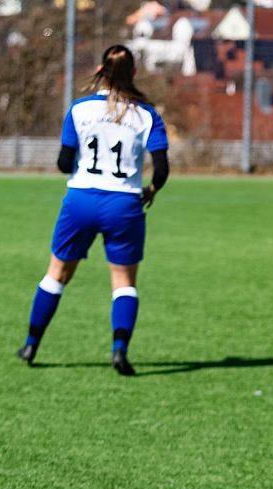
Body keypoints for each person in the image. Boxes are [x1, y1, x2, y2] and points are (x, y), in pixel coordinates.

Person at [16, 44, 169, 376]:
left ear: (101, 71)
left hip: (81, 200)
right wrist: (152, 190)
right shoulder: (147, 115)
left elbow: (63, 163)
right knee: (123, 281)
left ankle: (31, 343)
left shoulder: (79, 109)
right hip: (124, 204)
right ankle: (119, 350)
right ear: (133, 74)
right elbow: (161, 169)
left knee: (56, 273)